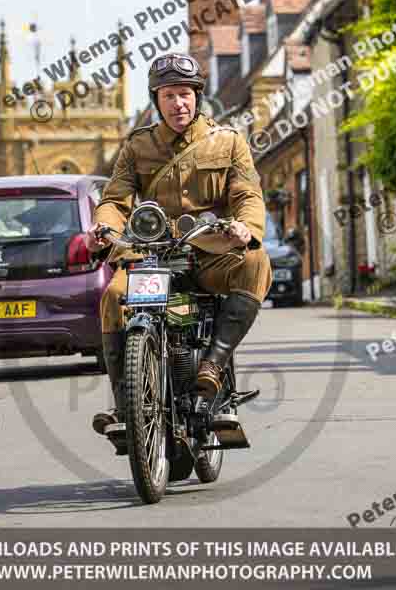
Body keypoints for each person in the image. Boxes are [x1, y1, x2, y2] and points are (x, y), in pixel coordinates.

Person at [85, 53, 272, 437]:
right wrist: (102, 229)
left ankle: (213, 366)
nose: (178, 103)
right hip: (151, 258)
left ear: (197, 96)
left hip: (208, 256)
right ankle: (125, 404)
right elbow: (115, 200)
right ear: (157, 101)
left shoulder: (229, 142)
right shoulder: (138, 147)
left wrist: (243, 228)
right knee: (113, 298)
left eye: (184, 94)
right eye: (168, 95)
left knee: (255, 261)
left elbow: (248, 194)